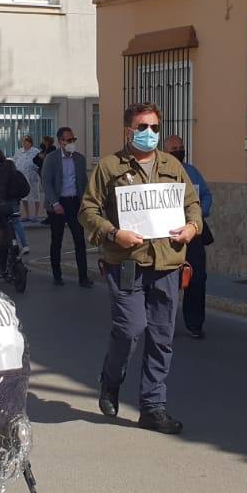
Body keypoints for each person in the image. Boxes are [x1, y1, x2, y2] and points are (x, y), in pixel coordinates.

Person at [79, 103, 202, 435]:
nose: (150, 134)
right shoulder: (109, 167)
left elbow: (192, 202)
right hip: (127, 263)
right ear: (128, 131)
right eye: (142, 127)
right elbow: (88, 210)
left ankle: (152, 407)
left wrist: (192, 226)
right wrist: (113, 232)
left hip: (168, 263)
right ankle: (110, 379)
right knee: (131, 329)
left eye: (154, 128)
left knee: (162, 338)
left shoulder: (172, 166)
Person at [166, 135, 212, 339]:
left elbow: (207, 195)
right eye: (174, 148)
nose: (179, 150)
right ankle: (163, 323)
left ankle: (195, 323)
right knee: (167, 282)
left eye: (181, 147)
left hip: (192, 234)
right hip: (167, 237)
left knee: (198, 278)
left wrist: (200, 214)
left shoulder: (192, 171)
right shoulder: (159, 173)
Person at [41, 126, 91, 288]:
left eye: (73, 140)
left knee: (79, 240)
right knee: (57, 240)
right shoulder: (51, 158)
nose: (71, 143)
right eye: (68, 140)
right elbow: (46, 183)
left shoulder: (79, 159)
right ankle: (57, 275)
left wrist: (86, 202)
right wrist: (55, 203)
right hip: (57, 202)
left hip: (74, 202)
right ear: (60, 141)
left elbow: (83, 181)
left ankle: (83, 277)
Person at [0, 149, 30, 254]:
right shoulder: (10, 165)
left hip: (0, 199)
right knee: (16, 221)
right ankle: (25, 246)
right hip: (14, 198)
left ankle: (8, 245)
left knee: (2, 222)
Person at [12, 135, 42, 222]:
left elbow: (39, 163)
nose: (25, 143)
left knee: (36, 196)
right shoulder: (19, 152)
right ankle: (27, 214)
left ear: (30, 143)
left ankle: (35, 215)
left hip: (32, 177)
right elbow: (14, 162)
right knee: (24, 197)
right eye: (23, 141)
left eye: (27, 141)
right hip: (22, 178)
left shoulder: (36, 151)